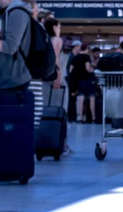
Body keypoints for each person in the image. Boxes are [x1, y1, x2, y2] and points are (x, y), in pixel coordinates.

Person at [43, 17, 70, 153]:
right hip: (55, 79)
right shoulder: (57, 40)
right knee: (61, 111)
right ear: (54, 27)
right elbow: (55, 59)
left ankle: (46, 141)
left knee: (46, 110)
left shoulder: (44, 40)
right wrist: (58, 77)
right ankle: (62, 143)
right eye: (59, 27)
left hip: (44, 80)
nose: (60, 30)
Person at [69, 44, 97, 123]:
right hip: (87, 80)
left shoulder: (75, 57)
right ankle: (93, 118)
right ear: (87, 49)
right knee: (92, 97)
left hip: (78, 81)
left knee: (80, 99)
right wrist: (93, 70)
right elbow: (87, 68)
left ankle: (80, 117)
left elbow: (70, 70)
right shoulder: (86, 57)